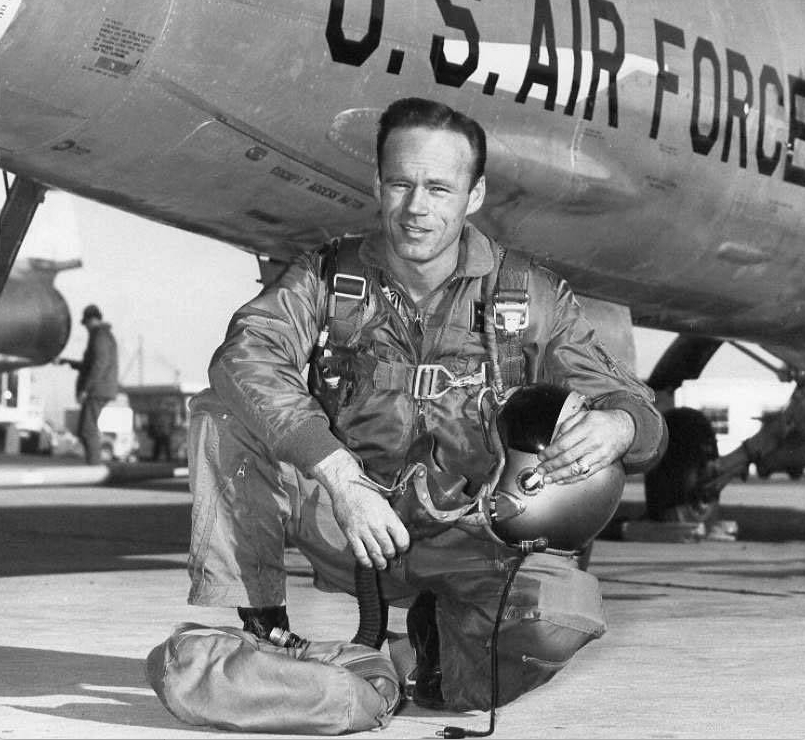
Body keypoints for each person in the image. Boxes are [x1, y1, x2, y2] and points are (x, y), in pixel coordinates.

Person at [186, 97, 667, 712]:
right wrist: (337, 473)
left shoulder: (528, 297)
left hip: (472, 531)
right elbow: (245, 355)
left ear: (474, 195)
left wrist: (620, 425)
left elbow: (636, 406)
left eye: (439, 188)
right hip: (347, 521)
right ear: (378, 185)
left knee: (561, 614)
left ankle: (428, 657)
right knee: (224, 412)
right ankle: (265, 629)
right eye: (401, 185)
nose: (417, 209)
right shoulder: (329, 279)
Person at [58, 304, 119, 464]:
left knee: (87, 429)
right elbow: (90, 365)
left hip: (97, 390)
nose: (85, 327)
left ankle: (94, 467)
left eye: (85, 323)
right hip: (100, 388)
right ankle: (93, 464)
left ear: (92, 320)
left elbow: (99, 364)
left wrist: (86, 389)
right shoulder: (103, 335)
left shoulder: (99, 336)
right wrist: (67, 362)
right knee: (85, 429)